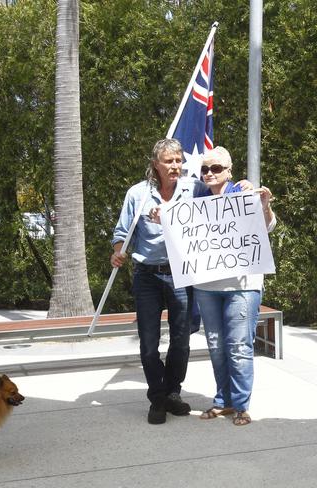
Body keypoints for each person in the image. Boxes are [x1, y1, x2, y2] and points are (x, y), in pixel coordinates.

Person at [111, 138, 252, 425]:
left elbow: (222, 199)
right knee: (149, 343)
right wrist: (118, 253)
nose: (175, 166)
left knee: (181, 340)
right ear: (156, 165)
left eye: (178, 161)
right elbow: (121, 233)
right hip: (147, 275)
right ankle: (157, 397)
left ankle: (172, 393)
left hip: (182, 274)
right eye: (169, 161)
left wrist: (243, 188)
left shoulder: (194, 188)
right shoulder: (137, 195)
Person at [193, 147, 276, 426]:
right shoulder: (196, 198)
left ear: (229, 171)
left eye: (215, 168)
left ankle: (241, 405)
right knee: (216, 345)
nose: (209, 173)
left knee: (239, 345)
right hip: (207, 285)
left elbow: (267, 227)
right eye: (204, 169)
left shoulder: (243, 194)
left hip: (243, 285)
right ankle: (223, 401)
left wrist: (264, 205)